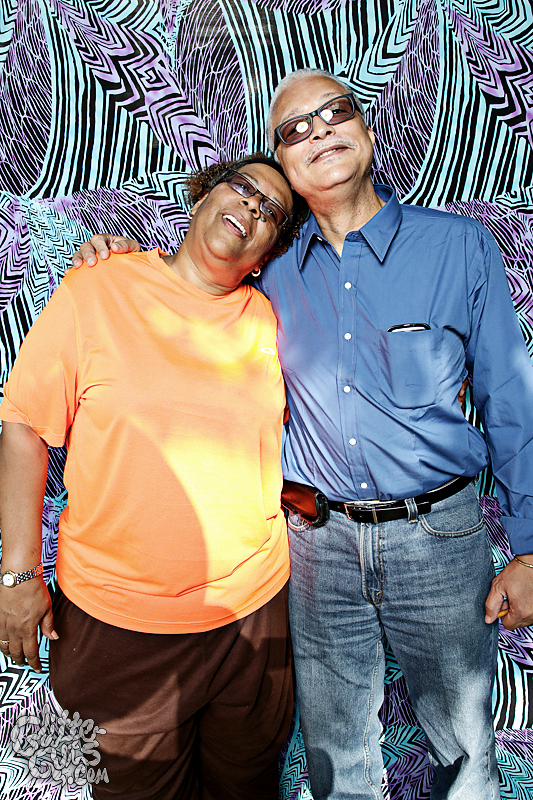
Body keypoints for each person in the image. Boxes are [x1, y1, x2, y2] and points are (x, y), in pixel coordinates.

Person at [72, 69, 533, 800]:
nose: (318, 131)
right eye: (294, 130)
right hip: (317, 549)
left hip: (440, 542)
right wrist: (116, 258)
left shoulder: (458, 246)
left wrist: (530, 549)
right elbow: (188, 280)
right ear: (284, 166)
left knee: (465, 751)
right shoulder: (266, 266)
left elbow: (511, 401)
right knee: (335, 759)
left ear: (367, 129)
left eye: (334, 112)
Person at [0, 155, 308, 800]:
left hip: (250, 617)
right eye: (243, 188)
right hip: (116, 627)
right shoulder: (98, 286)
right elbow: (24, 425)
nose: (253, 207)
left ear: (265, 257)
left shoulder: (271, 320)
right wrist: (18, 574)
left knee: (247, 786)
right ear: (201, 198)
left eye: (272, 212)